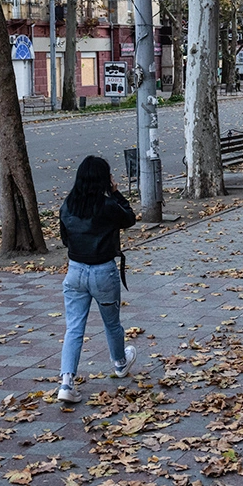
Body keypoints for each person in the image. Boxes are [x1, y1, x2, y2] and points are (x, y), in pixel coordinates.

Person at [57, 155, 138, 403]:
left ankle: (66, 382)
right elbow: (130, 218)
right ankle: (120, 362)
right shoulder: (108, 206)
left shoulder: (68, 206)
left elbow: (65, 239)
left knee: (74, 327)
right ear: (104, 179)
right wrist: (115, 193)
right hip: (103, 272)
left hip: (75, 271)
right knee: (111, 323)